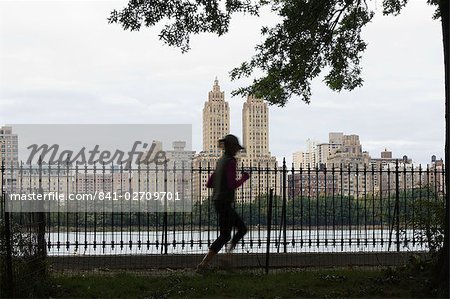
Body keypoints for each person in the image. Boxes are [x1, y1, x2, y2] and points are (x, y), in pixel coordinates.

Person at [196, 134, 250, 272]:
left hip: (217, 201)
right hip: (225, 202)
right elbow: (232, 184)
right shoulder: (231, 161)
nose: (237, 151)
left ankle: (205, 264)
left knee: (225, 235)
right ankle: (224, 258)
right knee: (241, 229)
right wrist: (244, 178)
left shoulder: (220, 161)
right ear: (231, 147)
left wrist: (221, 185)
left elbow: (209, 183)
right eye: (236, 148)